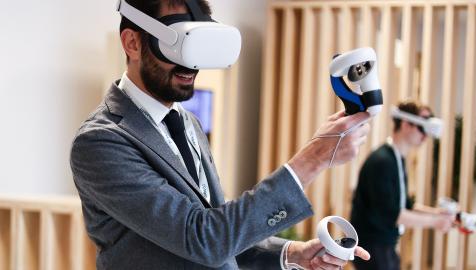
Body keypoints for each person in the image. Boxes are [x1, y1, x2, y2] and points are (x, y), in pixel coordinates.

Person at [70, 0, 371, 269]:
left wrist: (291, 253)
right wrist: (314, 158)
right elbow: (201, 238)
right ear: (132, 43)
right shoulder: (101, 142)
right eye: (178, 44)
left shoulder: (188, 123)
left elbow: (220, 229)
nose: (191, 64)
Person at [350, 101, 455, 270]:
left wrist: (437, 213)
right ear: (406, 124)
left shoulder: (396, 159)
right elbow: (393, 214)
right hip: (372, 246)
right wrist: (435, 222)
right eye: (423, 127)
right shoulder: (383, 161)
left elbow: (405, 205)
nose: (426, 135)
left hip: (384, 244)